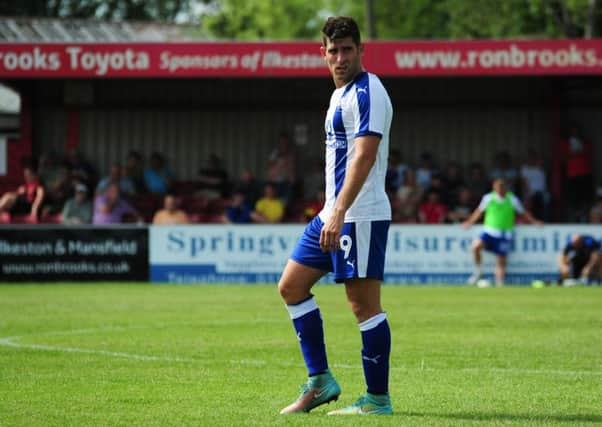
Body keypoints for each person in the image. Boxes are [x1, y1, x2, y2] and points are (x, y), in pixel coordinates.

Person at [278, 17, 393, 416]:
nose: (340, 57)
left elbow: (365, 154)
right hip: (333, 214)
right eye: (334, 50)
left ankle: (377, 400)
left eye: (348, 49)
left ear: (361, 50)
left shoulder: (368, 91)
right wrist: (331, 210)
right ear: (322, 53)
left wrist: (340, 210)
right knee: (291, 287)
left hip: (358, 215)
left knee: (363, 306)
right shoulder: (338, 96)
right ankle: (321, 381)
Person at [462, 178, 543, 286]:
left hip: (505, 234)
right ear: (494, 188)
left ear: (505, 188)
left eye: (502, 187)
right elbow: (479, 211)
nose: (500, 190)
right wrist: (469, 222)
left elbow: (523, 212)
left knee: (501, 261)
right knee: (475, 246)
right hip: (489, 232)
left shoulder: (512, 199)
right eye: (498, 187)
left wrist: (534, 222)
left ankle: (500, 284)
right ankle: (478, 272)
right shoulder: (488, 198)